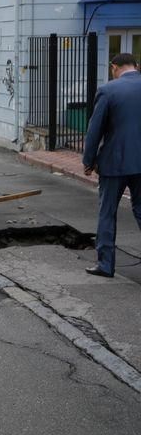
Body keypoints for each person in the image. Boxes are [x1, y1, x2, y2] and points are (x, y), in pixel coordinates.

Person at [82, 53, 141, 278]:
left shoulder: (109, 90)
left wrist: (88, 161)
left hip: (114, 163)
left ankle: (106, 265)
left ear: (114, 67)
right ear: (136, 66)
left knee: (107, 212)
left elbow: (95, 129)